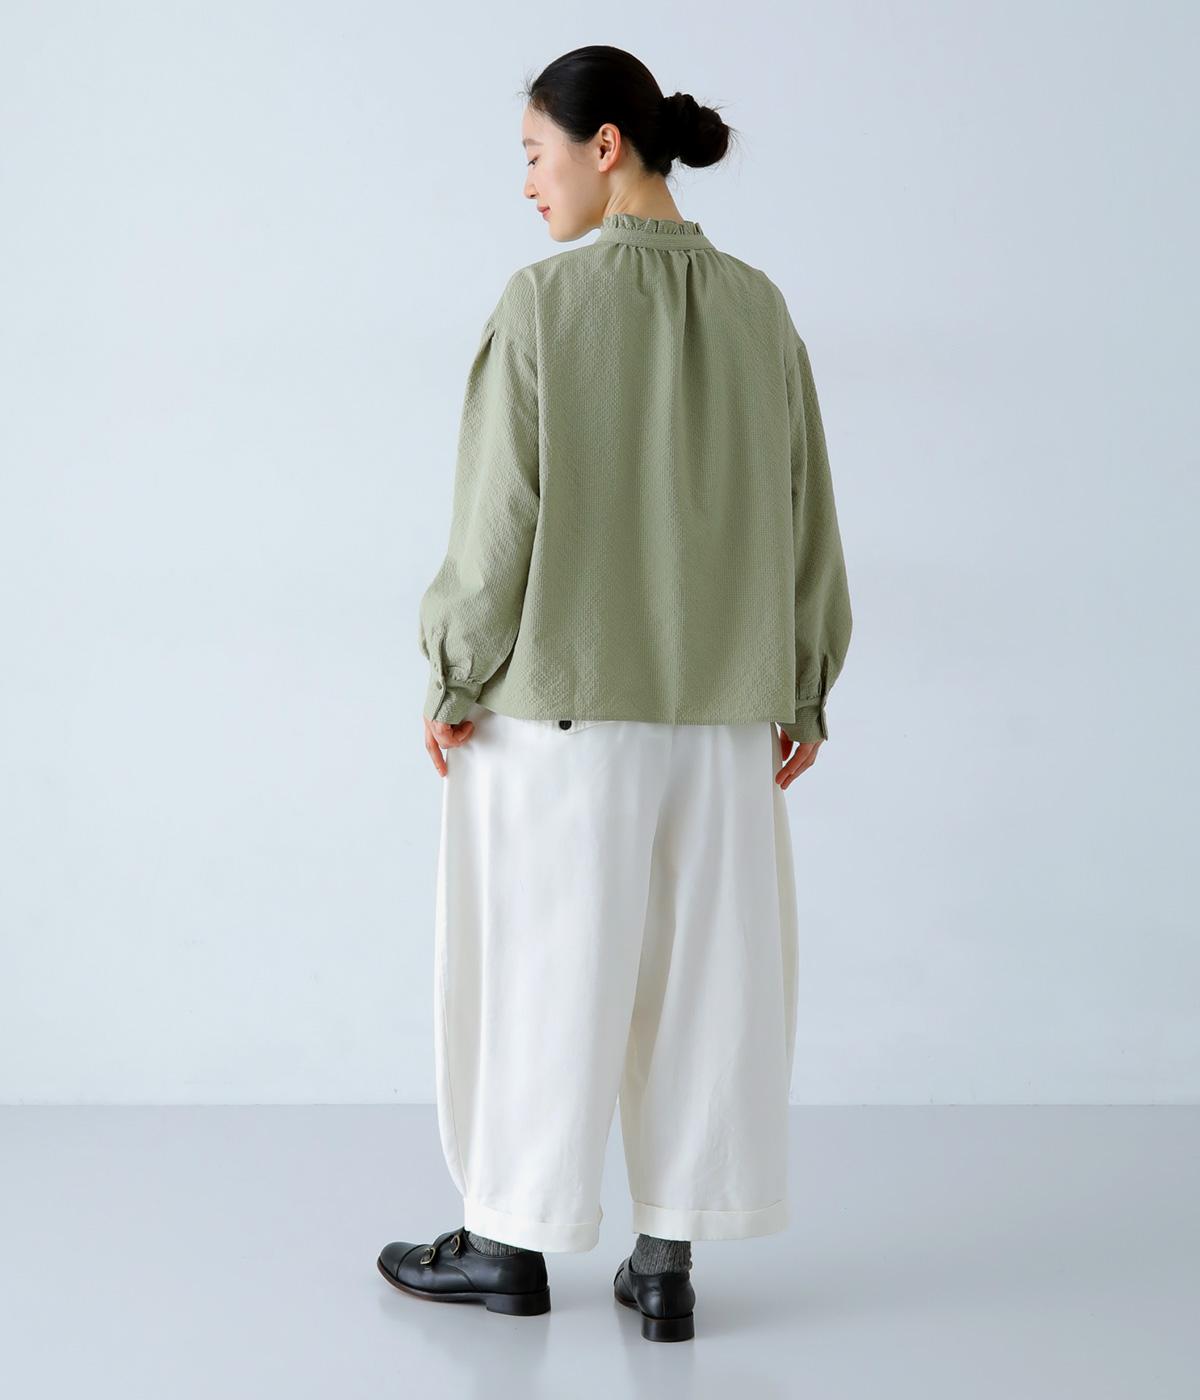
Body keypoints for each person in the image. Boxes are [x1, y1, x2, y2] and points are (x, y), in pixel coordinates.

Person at [377, 45, 853, 1344]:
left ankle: (507, 1243)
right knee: (702, 981)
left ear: (604, 147)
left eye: (536, 154)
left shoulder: (543, 305)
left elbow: (498, 526)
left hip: (562, 713)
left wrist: (453, 670)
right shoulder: (760, 311)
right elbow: (809, 512)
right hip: (724, 717)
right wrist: (803, 685)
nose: (527, 184)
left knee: (545, 972)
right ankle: (667, 1265)